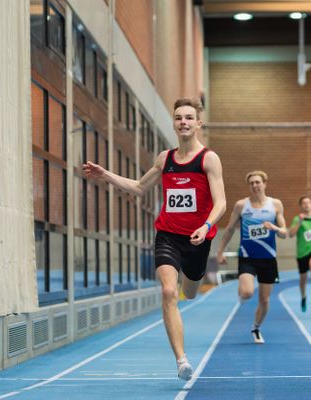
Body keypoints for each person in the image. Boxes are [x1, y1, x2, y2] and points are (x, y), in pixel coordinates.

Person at [83, 98, 226, 381]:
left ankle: (190, 281)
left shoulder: (208, 159)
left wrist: (206, 225)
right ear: (173, 124)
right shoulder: (165, 159)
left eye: (188, 117)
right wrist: (105, 175)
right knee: (168, 292)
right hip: (168, 236)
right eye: (178, 118)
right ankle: (182, 360)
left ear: (198, 123)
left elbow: (221, 202)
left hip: (198, 239)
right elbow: (138, 187)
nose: (183, 122)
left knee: (191, 290)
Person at [217, 171, 287, 344]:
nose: (255, 185)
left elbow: (284, 233)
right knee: (247, 293)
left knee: (264, 299)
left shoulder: (275, 205)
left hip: (268, 258)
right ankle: (243, 286)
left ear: (265, 183)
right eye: (251, 183)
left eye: (258, 182)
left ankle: (256, 327)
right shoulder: (242, 205)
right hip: (248, 257)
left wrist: (275, 228)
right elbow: (230, 229)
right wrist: (220, 251)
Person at [289, 196, 311, 312]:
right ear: (301, 206)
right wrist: (299, 221)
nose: (306, 205)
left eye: (308, 202)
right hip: (302, 252)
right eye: (304, 203)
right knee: (303, 279)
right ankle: (303, 297)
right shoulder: (297, 219)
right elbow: (291, 234)